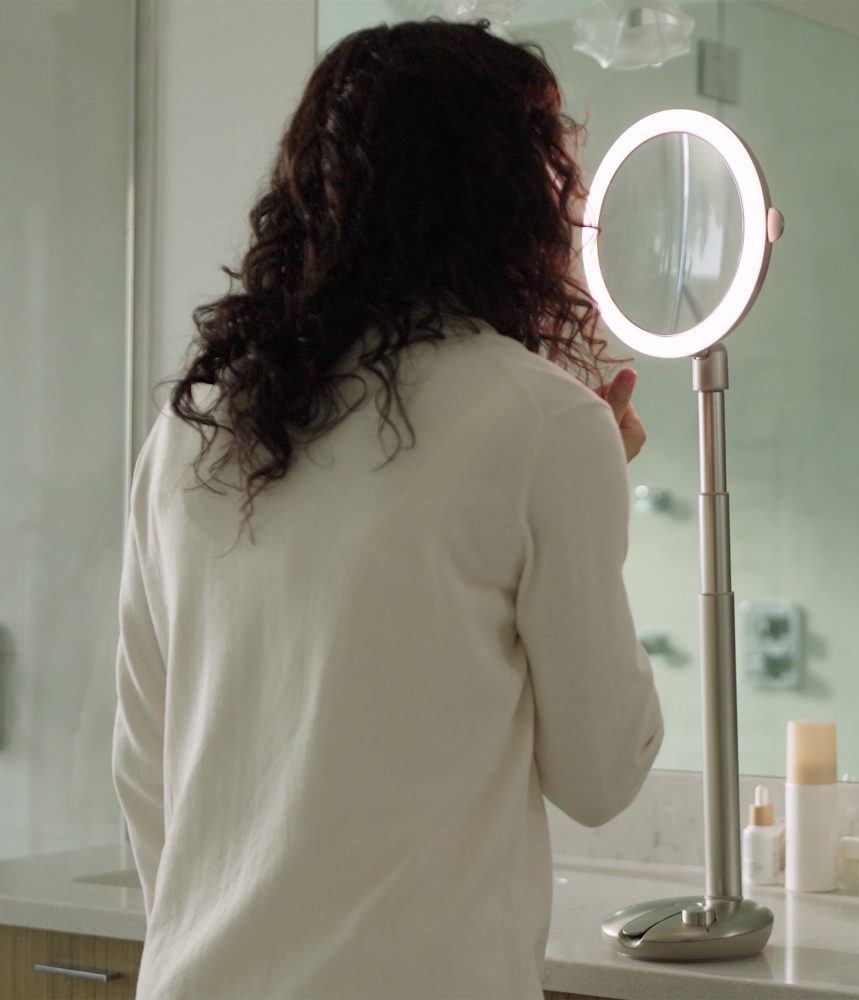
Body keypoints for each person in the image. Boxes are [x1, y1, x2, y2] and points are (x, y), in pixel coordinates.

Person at [112, 21, 663, 998]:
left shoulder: (195, 426)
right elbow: (600, 774)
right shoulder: (541, 423)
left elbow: (144, 769)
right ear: (508, 196)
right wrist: (595, 496)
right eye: (556, 168)